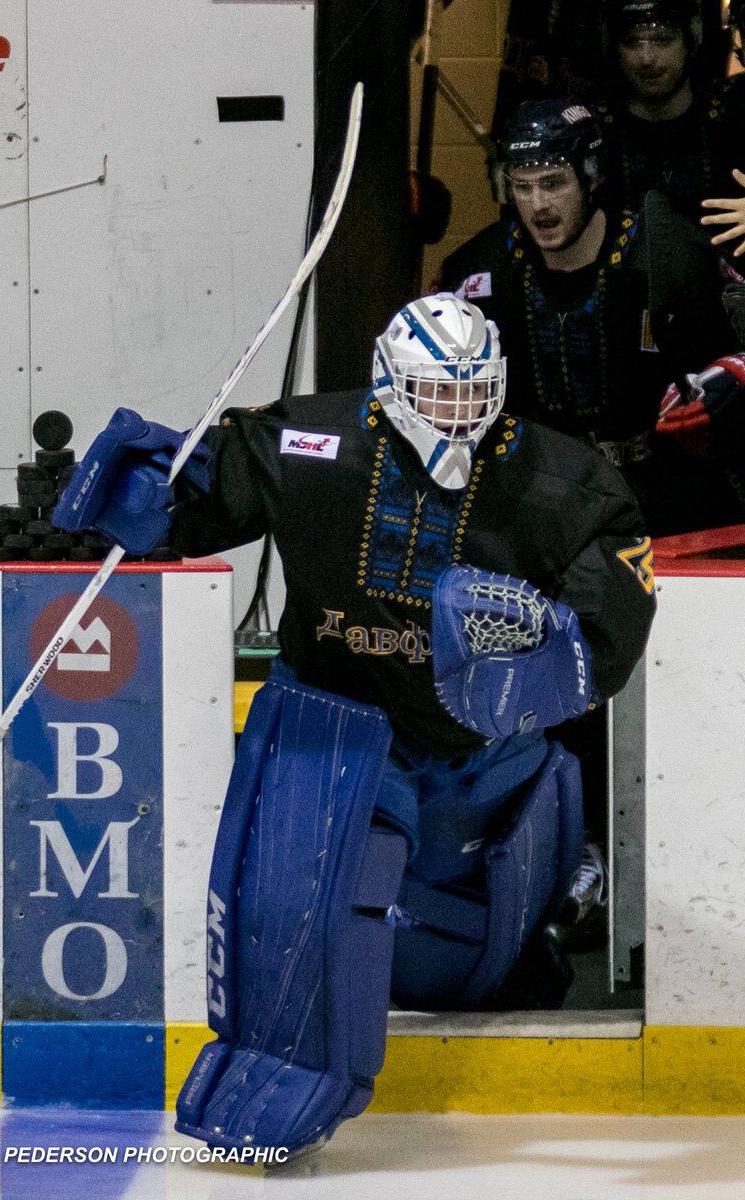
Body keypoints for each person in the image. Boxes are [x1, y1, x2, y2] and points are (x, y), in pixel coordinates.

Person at [52, 293, 655, 1156]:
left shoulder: (570, 483)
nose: (457, 416)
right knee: (302, 904)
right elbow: (212, 484)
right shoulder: (314, 440)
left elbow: (609, 632)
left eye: (473, 394)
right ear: (388, 384)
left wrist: (557, 666)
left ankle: (535, 934)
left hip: (479, 745)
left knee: (485, 949)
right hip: (336, 724)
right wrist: (156, 495)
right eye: (437, 396)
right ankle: (281, 1074)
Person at [439, 97, 735, 535]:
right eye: (523, 186)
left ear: (591, 174)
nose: (538, 205)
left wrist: (724, 382)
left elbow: (735, 353)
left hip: (666, 502)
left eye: (554, 183)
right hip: (535, 501)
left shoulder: (666, 252)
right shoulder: (480, 269)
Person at [595, 0, 745, 217]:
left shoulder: (732, 122)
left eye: (662, 40)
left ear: (691, 40)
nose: (646, 58)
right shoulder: (593, 132)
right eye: (632, 42)